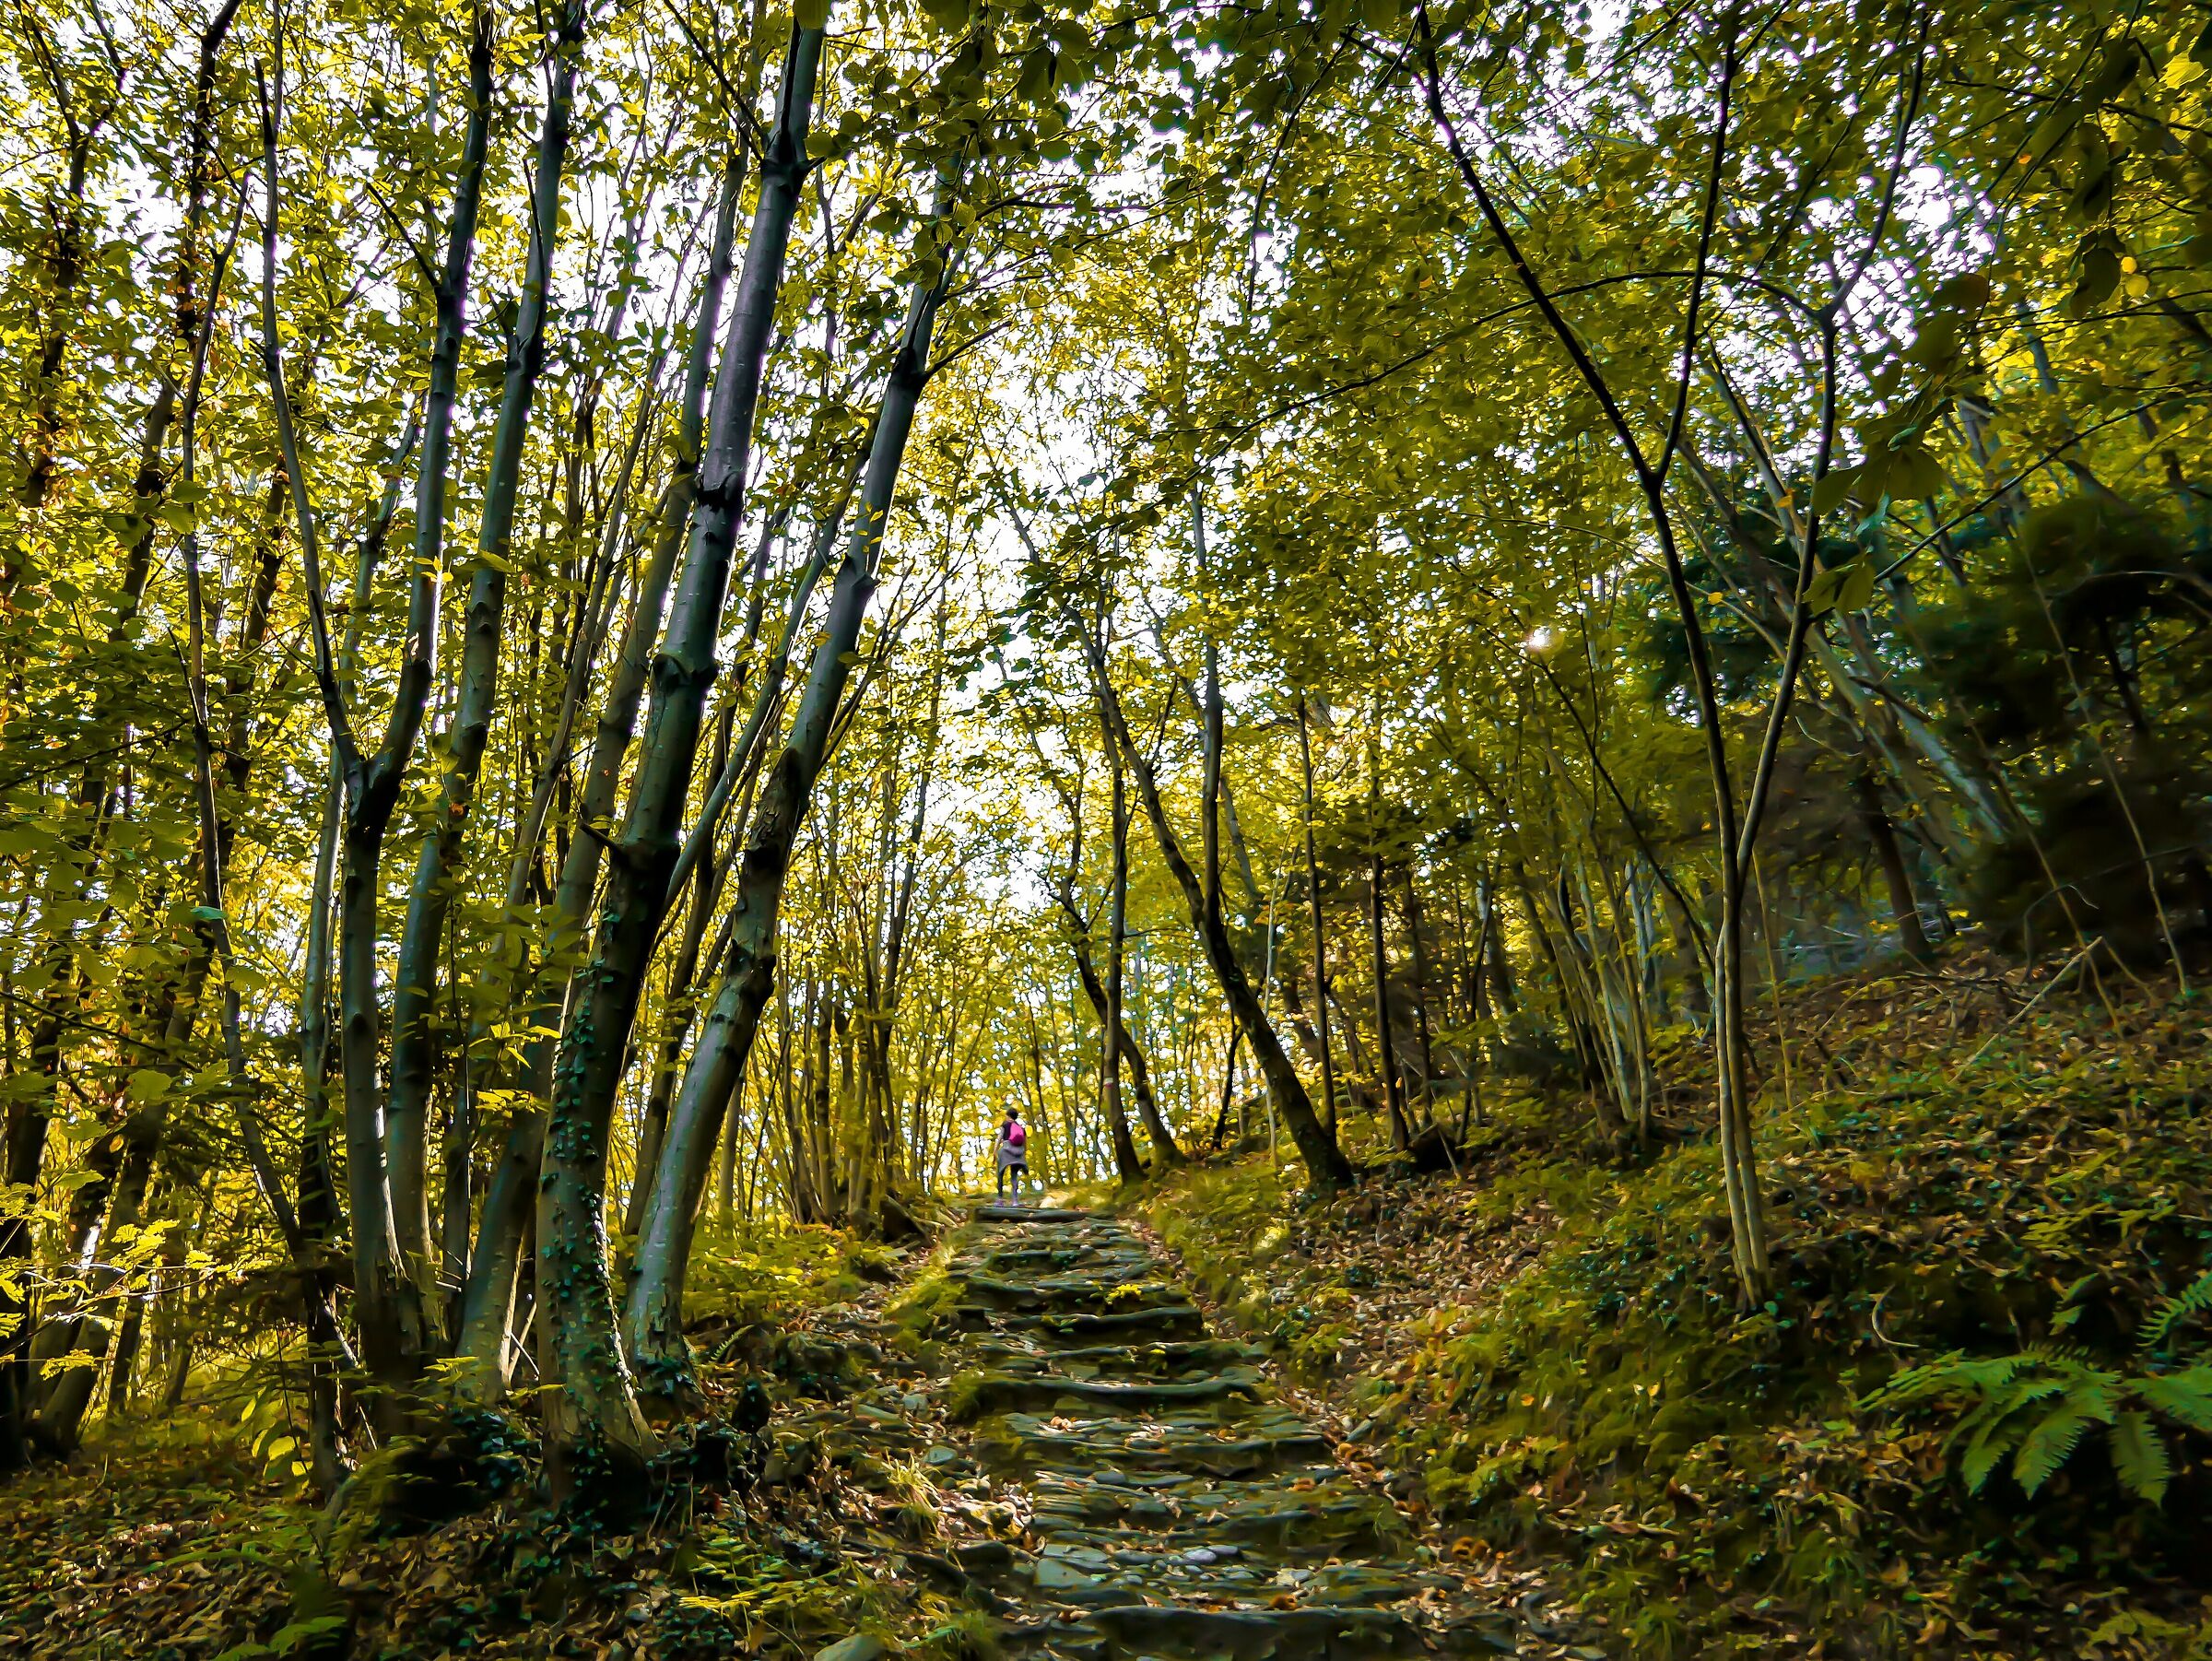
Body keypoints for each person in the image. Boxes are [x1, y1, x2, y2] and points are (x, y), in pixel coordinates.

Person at [995, 1108, 1030, 1202]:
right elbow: (1025, 1144)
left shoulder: (1005, 1125)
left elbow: (999, 1139)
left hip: (1006, 1152)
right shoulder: (1021, 1128)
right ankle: (1015, 1200)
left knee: (1000, 1174)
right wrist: (1023, 1154)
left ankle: (1000, 1199)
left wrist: (994, 1151)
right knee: (1014, 1176)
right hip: (1018, 1152)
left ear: (1007, 1116)